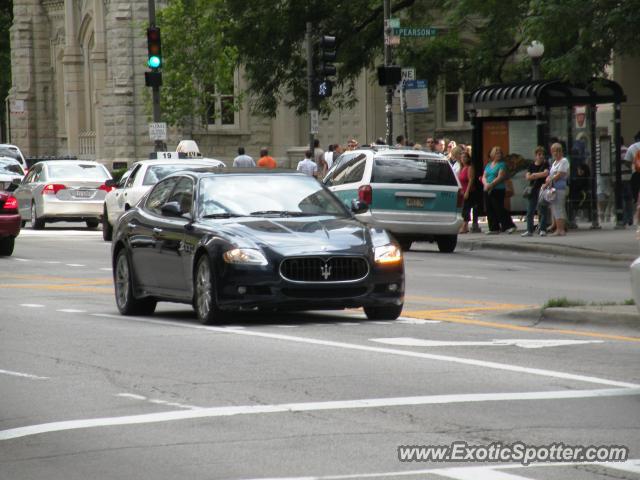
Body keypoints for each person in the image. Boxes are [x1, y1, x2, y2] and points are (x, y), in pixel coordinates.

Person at [482, 146, 517, 234]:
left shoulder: (502, 164)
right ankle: (494, 228)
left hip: (497, 189)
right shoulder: (489, 165)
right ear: (492, 154)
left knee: (499, 208)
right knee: (490, 209)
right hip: (487, 189)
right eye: (497, 153)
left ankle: (509, 226)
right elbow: (484, 176)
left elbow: (500, 177)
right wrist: (486, 184)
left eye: (500, 153)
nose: (499, 155)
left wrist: (491, 185)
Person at [521, 146, 549, 237]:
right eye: (539, 154)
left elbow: (546, 173)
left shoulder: (545, 164)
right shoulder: (531, 165)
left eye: (542, 154)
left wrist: (534, 175)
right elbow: (527, 176)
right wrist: (537, 175)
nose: (541, 156)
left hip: (542, 189)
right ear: (535, 156)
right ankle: (529, 230)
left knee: (543, 210)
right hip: (533, 190)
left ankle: (543, 229)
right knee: (530, 211)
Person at [544, 142, 570, 236]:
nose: (556, 153)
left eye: (558, 151)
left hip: (560, 188)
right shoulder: (554, 162)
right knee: (555, 208)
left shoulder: (564, 161)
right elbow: (551, 174)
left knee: (559, 208)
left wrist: (548, 181)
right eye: (554, 151)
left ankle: (560, 229)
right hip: (553, 188)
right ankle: (557, 228)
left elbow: (560, 174)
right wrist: (548, 179)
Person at [457, 149, 476, 234]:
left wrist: (467, 192)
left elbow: (471, 180)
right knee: (463, 209)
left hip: (469, 191)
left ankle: (464, 226)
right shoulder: (462, 168)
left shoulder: (469, 168)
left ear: (468, 158)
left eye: (465, 157)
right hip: (462, 191)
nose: (463, 159)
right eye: (462, 157)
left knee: (466, 209)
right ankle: (465, 227)